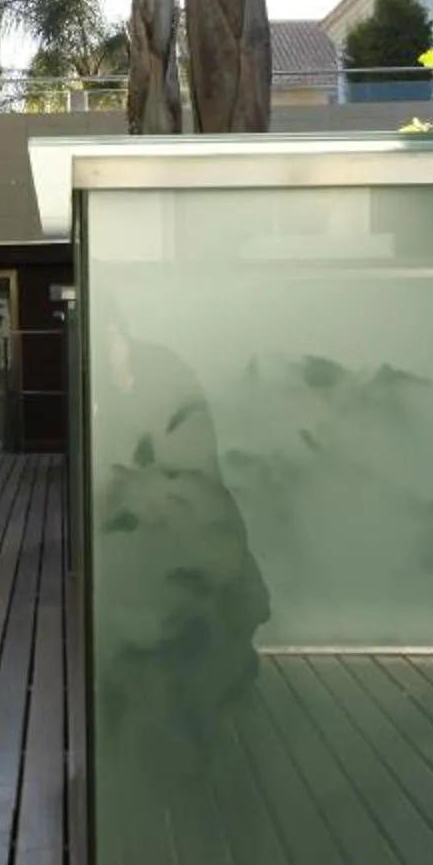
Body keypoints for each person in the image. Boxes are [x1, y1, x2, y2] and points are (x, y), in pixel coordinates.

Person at [90, 311, 268, 769]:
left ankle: (211, 745)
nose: (102, 353)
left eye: (104, 337)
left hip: (190, 522)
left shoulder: (163, 373)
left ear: (116, 330)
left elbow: (189, 459)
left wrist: (144, 490)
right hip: (145, 533)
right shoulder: (103, 391)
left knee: (204, 625)